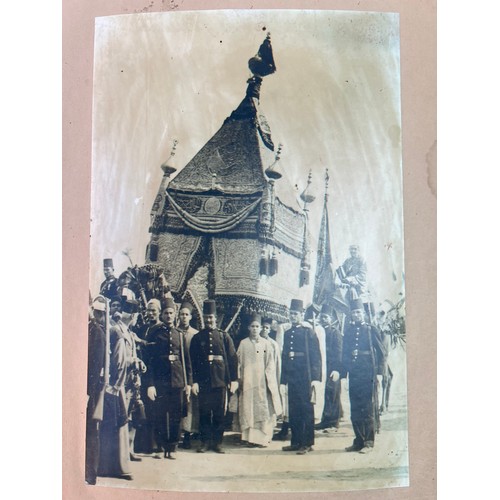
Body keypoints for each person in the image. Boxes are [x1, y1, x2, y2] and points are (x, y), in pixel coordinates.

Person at [144, 298, 192, 459]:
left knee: (175, 415)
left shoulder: (180, 334)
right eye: (166, 313)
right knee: (160, 414)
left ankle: (172, 447)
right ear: (162, 315)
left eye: (171, 313)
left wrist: (188, 383)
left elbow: (187, 360)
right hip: (160, 381)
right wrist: (150, 384)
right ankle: (160, 446)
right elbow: (149, 361)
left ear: (175, 315)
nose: (169, 316)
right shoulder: (155, 334)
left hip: (178, 381)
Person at [98, 300, 140, 480]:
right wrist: (116, 385)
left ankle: (110, 466)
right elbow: (119, 361)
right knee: (119, 424)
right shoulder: (119, 332)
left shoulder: (120, 329)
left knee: (115, 425)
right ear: (133, 316)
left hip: (118, 384)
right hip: (117, 385)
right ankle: (119, 467)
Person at [189, 299, 238, 454]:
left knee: (218, 413)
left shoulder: (224, 337)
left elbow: (232, 359)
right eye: (206, 317)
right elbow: (193, 362)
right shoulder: (197, 338)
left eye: (211, 317)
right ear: (203, 318)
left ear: (216, 318)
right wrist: (194, 382)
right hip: (203, 382)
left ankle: (217, 443)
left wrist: (233, 380)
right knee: (204, 412)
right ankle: (204, 442)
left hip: (220, 381)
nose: (209, 320)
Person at [341, 298, 386, 454]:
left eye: (359, 312)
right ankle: (358, 440)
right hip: (354, 374)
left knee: (367, 409)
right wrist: (343, 374)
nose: (356, 315)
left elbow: (381, 353)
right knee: (355, 409)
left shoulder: (370, 329)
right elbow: (345, 355)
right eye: (354, 313)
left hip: (368, 373)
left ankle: (368, 442)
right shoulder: (348, 332)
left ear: (364, 314)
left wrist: (380, 373)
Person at [280, 299, 322, 455]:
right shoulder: (287, 333)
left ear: (302, 314)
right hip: (292, 376)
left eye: (296, 314)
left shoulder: (308, 332)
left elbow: (316, 356)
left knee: (306, 410)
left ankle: (307, 442)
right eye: (291, 314)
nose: (293, 316)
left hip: (305, 375)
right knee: (294, 409)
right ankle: (296, 441)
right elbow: (285, 357)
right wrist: (283, 379)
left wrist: (315, 378)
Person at [237, 314, 282, 448]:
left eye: (257, 326)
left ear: (261, 328)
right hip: (247, 383)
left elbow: (270, 364)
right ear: (248, 328)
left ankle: (262, 439)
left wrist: (269, 382)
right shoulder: (243, 343)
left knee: (262, 409)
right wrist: (240, 379)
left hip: (262, 383)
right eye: (253, 326)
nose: (255, 329)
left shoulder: (266, 344)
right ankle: (248, 438)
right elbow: (238, 364)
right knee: (248, 408)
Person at [133, 299, 164, 455]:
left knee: (154, 409)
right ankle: (141, 445)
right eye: (149, 311)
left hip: (156, 374)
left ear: (159, 311)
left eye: (154, 311)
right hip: (143, 372)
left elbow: (157, 348)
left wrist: (141, 342)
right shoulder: (143, 328)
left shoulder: (161, 329)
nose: (151, 313)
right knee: (142, 408)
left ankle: (154, 444)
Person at [85, 296, 107, 485]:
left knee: (90, 431)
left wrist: (87, 394)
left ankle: (90, 475)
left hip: (88, 392)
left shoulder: (96, 332)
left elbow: (95, 367)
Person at [315, 303, 343, 431]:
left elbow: (338, 352)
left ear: (331, 319)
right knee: (325, 393)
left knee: (333, 393)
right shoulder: (319, 331)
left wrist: (337, 369)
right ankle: (325, 420)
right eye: (322, 316)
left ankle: (333, 422)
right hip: (323, 367)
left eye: (326, 317)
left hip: (332, 367)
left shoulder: (335, 332)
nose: (323, 319)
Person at [177, 301, 199, 450]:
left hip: (191, 372)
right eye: (182, 314)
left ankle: (187, 435)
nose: (184, 317)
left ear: (190, 317)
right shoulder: (175, 331)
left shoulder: (195, 334)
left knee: (190, 405)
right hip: (178, 373)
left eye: (186, 314)